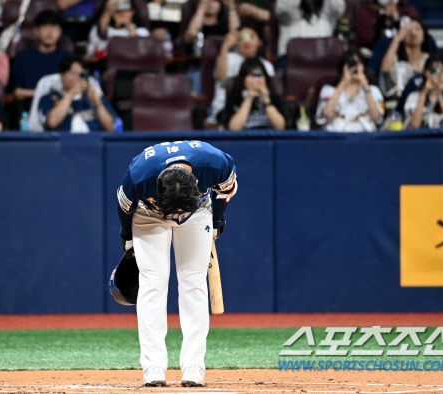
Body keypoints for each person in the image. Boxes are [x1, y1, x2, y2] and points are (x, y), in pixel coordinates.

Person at [116, 140, 237, 387]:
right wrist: (127, 236)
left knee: (193, 282)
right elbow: (124, 207)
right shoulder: (140, 174)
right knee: (153, 283)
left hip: (199, 211)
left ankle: (194, 366)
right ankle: (153, 367)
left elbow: (225, 190)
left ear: (195, 182)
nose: (176, 217)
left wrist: (217, 220)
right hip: (150, 215)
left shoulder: (216, 162)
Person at [8, 10, 73, 106]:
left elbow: (74, 88)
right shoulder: (24, 58)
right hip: (29, 107)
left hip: (61, 107)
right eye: (45, 27)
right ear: (36, 31)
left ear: (60, 32)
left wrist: (33, 93)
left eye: (54, 27)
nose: (50, 32)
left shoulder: (68, 58)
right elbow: (17, 92)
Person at [211, 23, 274, 120]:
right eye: (242, 37)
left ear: (260, 42)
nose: (246, 41)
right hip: (225, 108)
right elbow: (222, 78)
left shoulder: (266, 65)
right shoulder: (227, 58)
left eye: (251, 36)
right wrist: (225, 46)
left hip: (257, 113)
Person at [38, 56, 117, 132]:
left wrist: (98, 104)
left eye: (81, 73)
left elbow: (111, 128)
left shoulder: (93, 96)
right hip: (64, 143)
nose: (78, 77)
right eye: (74, 73)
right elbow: (52, 123)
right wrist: (70, 94)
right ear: (62, 75)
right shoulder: (49, 98)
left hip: (94, 142)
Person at [316, 50, 384, 132]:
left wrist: (365, 85)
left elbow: (376, 117)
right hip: (336, 136)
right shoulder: (328, 89)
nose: (355, 67)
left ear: (363, 66)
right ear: (343, 67)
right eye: (351, 63)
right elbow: (326, 113)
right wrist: (343, 82)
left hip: (364, 136)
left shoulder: (373, 90)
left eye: (358, 63)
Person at [404, 53, 443, 129]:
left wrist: (440, 96)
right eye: (432, 70)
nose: (437, 75)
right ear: (425, 72)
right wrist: (423, 94)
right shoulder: (413, 97)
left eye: (441, 70)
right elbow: (414, 125)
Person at [221, 57, 286, 130]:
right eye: (252, 75)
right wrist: (249, 98)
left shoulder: (274, 98)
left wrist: (265, 97)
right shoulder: (234, 99)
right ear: (243, 79)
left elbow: (280, 126)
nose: (256, 80)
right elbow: (234, 128)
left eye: (259, 75)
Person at [379, 17, 432, 98]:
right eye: (408, 29)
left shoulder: (429, 59)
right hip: (396, 100)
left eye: (417, 29)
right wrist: (397, 39)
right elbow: (385, 68)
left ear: (424, 35)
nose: (413, 32)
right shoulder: (395, 57)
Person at [275, 0, 345, 58]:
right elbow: (283, 9)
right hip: (291, 61)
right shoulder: (291, 15)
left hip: (324, 61)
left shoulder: (326, 12)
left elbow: (338, 7)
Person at [353, 0, 419, 52]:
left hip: (403, 54)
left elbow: (416, 34)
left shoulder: (408, 11)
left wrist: (397, 18)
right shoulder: (365, 13)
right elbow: (367, 39)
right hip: (372, 53)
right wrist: (383, 17)